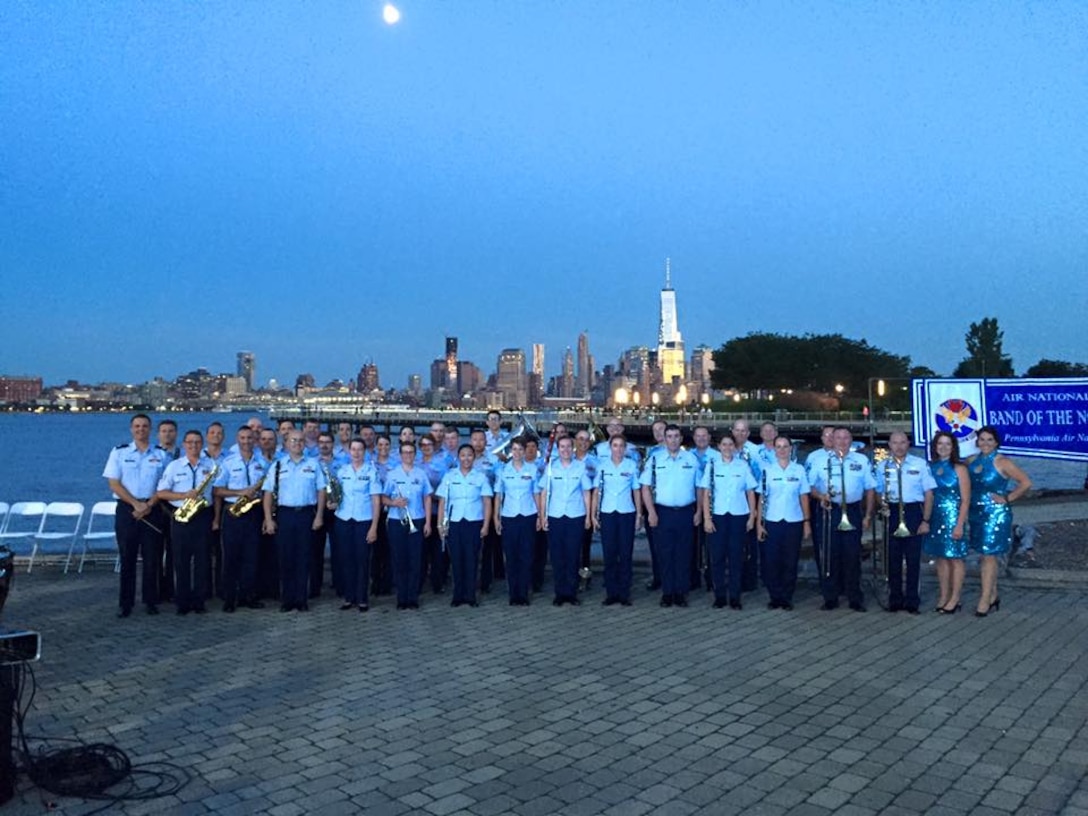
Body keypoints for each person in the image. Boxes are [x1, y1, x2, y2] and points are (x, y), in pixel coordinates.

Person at [102, 414, 167, 617]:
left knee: (152, 558)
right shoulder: (119, 452)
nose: (141, 429)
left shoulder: (160, 454)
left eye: (145, 426)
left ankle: (150, 601)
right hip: (126, 509)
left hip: (152, 509)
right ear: (131, 429)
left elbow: (165, 485)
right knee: (127, 557)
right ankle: (126, 603)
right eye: (137, 426)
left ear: (150, 429)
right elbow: (114, 483)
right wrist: (136, 504)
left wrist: (148, 505)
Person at [967, 426, 1032, 617]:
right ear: (977, 442)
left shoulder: (1002, 462)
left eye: (989, 440)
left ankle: (984, 599)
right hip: (976, 513)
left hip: (995, 514)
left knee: (989, 555)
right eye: (982, 439)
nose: (985, 443)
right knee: (983, 554)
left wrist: (1008, 498)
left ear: (996, 442)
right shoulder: (971, 461)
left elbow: (1026, 482)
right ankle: (993, 594)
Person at [809, 427, 875, 611]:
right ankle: (830, 597)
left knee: (852, 554)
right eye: (838, 437)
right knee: (830, 554)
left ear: (851, 440)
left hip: (853, 511)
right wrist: (821, 497)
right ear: (832, 439)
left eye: (846, 438)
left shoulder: (861, 460)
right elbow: (811, 487)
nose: (842, 441)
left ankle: (855, 597)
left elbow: (870, 488)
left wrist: (868, 515)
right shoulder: (820, 460)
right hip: (830, 510)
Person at [262, 430, 327, 612]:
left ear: (304, 443)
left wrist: (319, 515)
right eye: (293, 440)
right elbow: (267, 493)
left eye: (300, 440)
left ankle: (301, 599)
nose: (297, 443)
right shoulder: (277, 466)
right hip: (285, 515)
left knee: (304, 558)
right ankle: (287, 599)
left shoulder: (314, 465)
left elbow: (321, 491)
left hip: (306, 514)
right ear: (287, 443)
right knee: (286, 557)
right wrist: (268, 519)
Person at [640, 424, 701, 608]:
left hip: (686, 511)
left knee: (684, 554)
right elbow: (645, 487)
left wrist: (698, 511)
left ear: (681, 438)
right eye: (669, 436)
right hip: (663, 512)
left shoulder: (691, 459)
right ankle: (667, 592)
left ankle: (681, 592)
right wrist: (650, 512)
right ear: (664, 439)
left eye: (676, 436)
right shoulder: (655, 460)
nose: (673, 440)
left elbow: (699, 487)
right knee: (664, 554)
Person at [875, 432, 937, 614]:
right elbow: (878, 491)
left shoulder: (920, 464)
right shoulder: (882, 466)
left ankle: (912, 601)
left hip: (912, 512)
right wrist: (882, 505)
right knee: (891, 559)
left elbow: (928, 494)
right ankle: (895, 599)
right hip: (892, 512)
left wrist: (925, 520)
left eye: (903, 442)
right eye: (895, 443)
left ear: (908, 443)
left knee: (913, 559)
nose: (899, 446)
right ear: (889, 444)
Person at [157, 430, 217, 615]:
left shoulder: (211, 465)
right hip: (181, 516)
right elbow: (161, 493)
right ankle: (182, 601)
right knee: (180, 561)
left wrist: (215, 518)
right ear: (184, 445)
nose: (194, 446)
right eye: (190, 442)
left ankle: (199, 601)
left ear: (202, 444)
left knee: (202, 560)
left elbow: (216, 492)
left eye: (198, 442)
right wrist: (184, 495)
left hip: (203, 515)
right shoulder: (174, 466)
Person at [213, 426, 269, 612]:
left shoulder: (262, 462)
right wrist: (241, 492)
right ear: (237, 439)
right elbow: (217, 490)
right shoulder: (228, 462)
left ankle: (248, 596)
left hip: (254, 512)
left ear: (255, 440)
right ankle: (230, 598)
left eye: (250, 438)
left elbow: (268, 489)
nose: (246, 441)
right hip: (233, 513)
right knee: (231, 557)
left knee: (252, 557)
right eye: (243, 438)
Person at [700, 432, 757, 609]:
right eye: (724, 445)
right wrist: (707, 519)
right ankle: (719, 595)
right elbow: (706, 494)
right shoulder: (712, 466)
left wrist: (752, 516)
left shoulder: (742, 466)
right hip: (717, 516)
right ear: (719, 447)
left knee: (736, 557)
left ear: (734, 447)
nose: (727, 448)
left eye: (730, 445)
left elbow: (750, 492)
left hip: (738, 515)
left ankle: (734, 596)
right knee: (716, 558)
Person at [756, 436, 810, 611]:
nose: (782, 450)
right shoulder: (767, 471)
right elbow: (762, 499)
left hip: (793, 521)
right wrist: (759, 523)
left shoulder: (799, 470)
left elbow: (803, 497)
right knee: (772, 560)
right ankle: (775, 596)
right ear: (774, 450)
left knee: (790, 560)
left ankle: (787, 597)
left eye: (785, 446)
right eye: (778, 447)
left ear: (791, 449)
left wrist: (806, 522)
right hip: (772, 520)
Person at [436, 445, 493, 607]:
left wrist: (486, 525)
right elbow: (443, 501)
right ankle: (458, 595)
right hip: (454, 522)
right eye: (463, 455)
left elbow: (487, 502)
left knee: (472, 559)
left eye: (469, 455)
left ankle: (470, 596)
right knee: (456, 559)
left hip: (473, 522)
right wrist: (440, 525)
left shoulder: (480, 477)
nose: (466, 458)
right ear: (458, 457)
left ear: (474, 457)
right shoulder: (449, 476)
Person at [540, 436, 594, 606]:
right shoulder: (550, 468)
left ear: (573, 448)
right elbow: (544, 493)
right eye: (562, 447)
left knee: (573, 556)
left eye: (568, 447)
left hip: (575, 515)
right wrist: (542, 516)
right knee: (557, 556)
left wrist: (587, 516)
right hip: (555, 516)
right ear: (558, 449)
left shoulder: (580, 467)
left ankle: (571, 592)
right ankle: (559, 593)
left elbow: (586, 493)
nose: (565, 450)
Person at [923, 432, 971, 614]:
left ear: (953, 447)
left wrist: (959, 524)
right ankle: (943, 595)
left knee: (955, 558)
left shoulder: (959, 468)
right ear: (935, 447)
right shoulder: (930, 467)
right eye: (940, 444)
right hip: (935, 517)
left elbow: (966, 499)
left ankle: (955, 598)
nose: (943, 447)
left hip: (953, 518)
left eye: (947, 444)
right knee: (941, 559)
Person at [380, 441, 432, 610]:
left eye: (411, 452)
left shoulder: (421, 474)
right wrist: (394, 502)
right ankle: (402, 598)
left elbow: (427, 498)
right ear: (400, 455)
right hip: (397, 521)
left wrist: (429, 523)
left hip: (417, 520)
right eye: (405, 452)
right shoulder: (392, 474)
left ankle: (413, 597)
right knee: (399, 560)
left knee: (415, 560)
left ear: (415, 455)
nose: (408, 455)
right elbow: (383, 497)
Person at [592, 434, 643, 606]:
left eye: (622, 445)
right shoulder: (602, 466)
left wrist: (638, 515)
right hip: (607, 513)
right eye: (615, 445)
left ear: (625, 448)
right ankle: (611, 592)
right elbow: (597, 492)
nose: (619, 449)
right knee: (610, 554)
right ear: (610, 447)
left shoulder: (631, 465)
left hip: (626, 512)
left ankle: (624, 592)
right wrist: (593, 515)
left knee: (625, 554)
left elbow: (636, 490)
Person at [331, 439, 381, 612]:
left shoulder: (371, 471)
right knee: (346, 559)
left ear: (365, 451)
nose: (356, 452)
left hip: (363, 520)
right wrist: (332, 503)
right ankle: (348, 597)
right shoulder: (342, 471)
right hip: (344, 519)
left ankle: (362, 598)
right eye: (353, 449)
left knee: (362, 560)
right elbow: (336, 495)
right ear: (349, 451)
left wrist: (374, 526)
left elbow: (376, 500)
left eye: (360, 449)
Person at [494, 437, 540, 605]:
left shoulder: (533, 469)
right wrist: (496, 518)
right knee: (512, 556)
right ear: (510, 451)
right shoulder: (503, 470)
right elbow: (498, 496)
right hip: (509, 515)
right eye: (514, 449)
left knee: (526, 556)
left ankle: (524, 593)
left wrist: (540, 516)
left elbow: (536, 493)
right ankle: (513, 593)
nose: (518, 453)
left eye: (521, 449)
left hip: (528, 515)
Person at [731, 418, 762, 593]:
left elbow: (759, 477)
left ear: (748, 433)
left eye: (744, 431)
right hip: (732, 500)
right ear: (732, 431)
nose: (740, 434)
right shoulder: (727, 448)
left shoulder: (755, 450)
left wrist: (755, 507)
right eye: (737, 430)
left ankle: (749, 581)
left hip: (750, 497)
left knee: (749, 542)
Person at [470, 428, 504, 593]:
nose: (478, 442)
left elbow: (499, 485)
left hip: (487, 508)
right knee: (470, 547)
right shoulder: (463, 458)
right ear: (471, 441)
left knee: (487, 547)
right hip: (468, 508)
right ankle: (470, 580)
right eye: (475, 439)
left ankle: (485, 582)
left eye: (481, 439)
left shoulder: (494, 460)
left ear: (486, 441)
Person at [418, 433, 451, 594]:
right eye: (423, 445)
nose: (426, 448)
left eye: (429, 445)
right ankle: (419, 582)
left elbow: (446, 490)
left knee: (438, 551)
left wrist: (431, 495)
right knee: (420, 551)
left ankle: (438, 582)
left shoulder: (441, 465)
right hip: (420, 514)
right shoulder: (415, 465)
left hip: (437, 512)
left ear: (434, 446)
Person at [803, 426, 836, 577]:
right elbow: (808, 484)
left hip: (842, 504)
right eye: (826, 435)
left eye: (832, 435)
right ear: (822, 438)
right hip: (820, 503)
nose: (829, 438)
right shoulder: (813, 457)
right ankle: (825, 579)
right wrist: (821, 496)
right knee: (821, 544)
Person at [641, 419, 668, 591]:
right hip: (652, 503)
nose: (658, 433)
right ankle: (658, 576)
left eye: (661, 429)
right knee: (655, 544)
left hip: (669, 504)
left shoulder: (679, 453)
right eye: (655, 430)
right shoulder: (650, 453)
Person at [155, 418, 180, 601]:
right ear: (158, 434)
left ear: (176, 434)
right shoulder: (152, 454)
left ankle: (171, 589)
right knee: (154, 551)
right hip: (155, 507)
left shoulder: (181, 454)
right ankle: (156, 590)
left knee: (173, 551)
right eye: (164, 431)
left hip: (175, 507)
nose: (167, 434)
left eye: (171, 431)